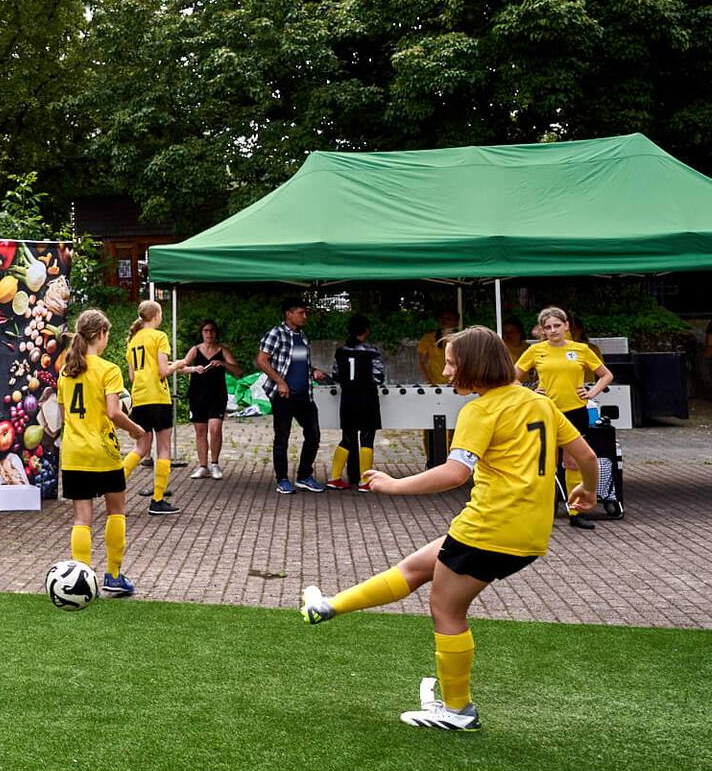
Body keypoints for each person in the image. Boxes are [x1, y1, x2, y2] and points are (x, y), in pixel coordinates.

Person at [299, 326, 598, 731]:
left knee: (446, 609)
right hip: (526, 533)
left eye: (453, 363)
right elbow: (585, 456)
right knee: (418, 567)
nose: (446, 372)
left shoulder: (481, 409)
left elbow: (456, 472)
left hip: (489, 527)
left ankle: (458, 711)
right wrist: (587, 491)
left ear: (475, 366)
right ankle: (329, 606)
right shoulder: (538, 403)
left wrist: (393, 485)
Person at [55, 309, 153, 598]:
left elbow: (64, 418)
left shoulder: (65, 371)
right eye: (107, 334)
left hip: (73, 453)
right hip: (102, 451)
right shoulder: (109, 370)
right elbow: (113, 412)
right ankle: (113, 575)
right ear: (100, 334)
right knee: (116, 512)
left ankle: (82, 581)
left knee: (81, 519)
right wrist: (136, 430)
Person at [514, 305, 614, 530]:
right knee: (546, 462)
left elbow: (606, 375)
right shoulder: (535, 351)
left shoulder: (581, 349)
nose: (553, 330)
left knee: (572, 462)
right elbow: (512, 377)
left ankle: (576, 511)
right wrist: (530, 391)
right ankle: (544, 511)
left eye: (557, 325)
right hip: (546, 410)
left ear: (566, 325)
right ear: (542, 330)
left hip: (575, 411)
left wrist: (591, 393)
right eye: (548, 327)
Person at [256, 295, 328, 494]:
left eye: (306, 313)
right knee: (282, 438)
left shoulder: (303, 336)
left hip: (305, 394)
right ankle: (282, 479)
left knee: (313, 434)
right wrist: (280, 382)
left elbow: (297, 362)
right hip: (284, 396)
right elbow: (262, 360)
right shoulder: (276, 334)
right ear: (288, 314)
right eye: (301, 313)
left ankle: (304, 476)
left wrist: (313, 371)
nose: (305, 316)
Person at [125, 300, 178, 515]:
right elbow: (163, 370)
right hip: (159, 397)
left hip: (140, 399)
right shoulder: (160, 337)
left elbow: (131, 375)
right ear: (156, 316)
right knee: (163, 448)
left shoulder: (133, 340)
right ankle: (157, 500)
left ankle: (114, 482)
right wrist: (179, 365)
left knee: (140, 448)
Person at [328, 315, 385, 489]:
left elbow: (336, 375)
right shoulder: (372, 352)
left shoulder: (340, 351)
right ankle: (365, 481)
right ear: (366, 330)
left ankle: (334, 477)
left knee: (347, 439)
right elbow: (379, 377)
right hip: (367, 399)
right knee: (367, 439)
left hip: (347, 400)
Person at [179, 320, 238, 480]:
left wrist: (223, 364)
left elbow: (238, 371)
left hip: (217, 395)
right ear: (202, 333)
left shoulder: (222, 350)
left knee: (215, 429)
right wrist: (194, 369)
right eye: (206, 331)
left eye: (212, 330)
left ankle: (215, 464)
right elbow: (181, 367)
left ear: (215, 332)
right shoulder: (195, 350)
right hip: (197, 395)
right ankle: (203, 466)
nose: (209, 334)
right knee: (200, 431)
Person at [416, 308, 460, 386]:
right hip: (435, 385)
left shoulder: (462, 338)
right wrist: (429, 383)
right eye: (442, 318)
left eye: (448, 319)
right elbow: (421, 363)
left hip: (458, 384)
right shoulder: (428, 338)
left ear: (456, 322)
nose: (444, 321)